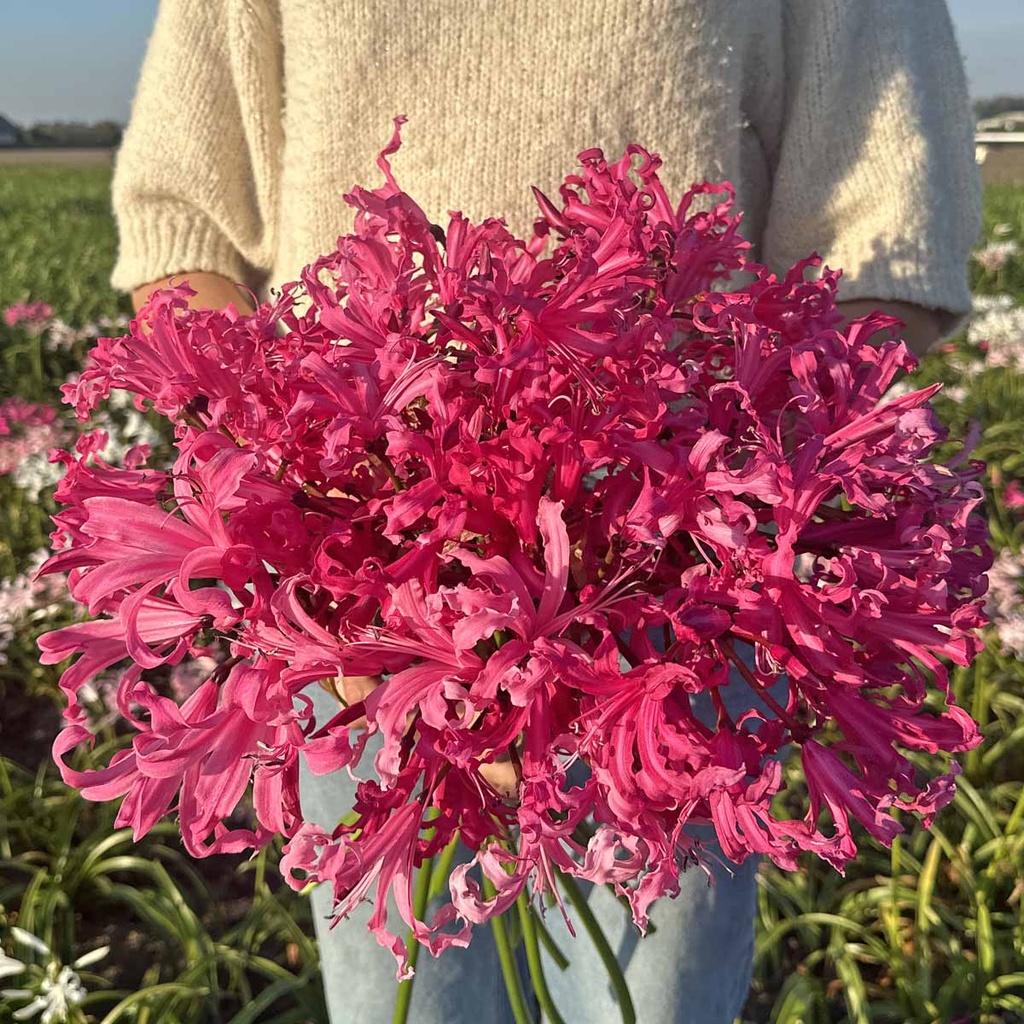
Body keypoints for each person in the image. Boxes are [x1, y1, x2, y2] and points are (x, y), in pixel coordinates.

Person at [113, 2, 980, 1021]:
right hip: (355, 613)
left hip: (684, 611)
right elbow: (183, 233)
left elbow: (883, 248)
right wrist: (321, 516)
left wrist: (677, 530)